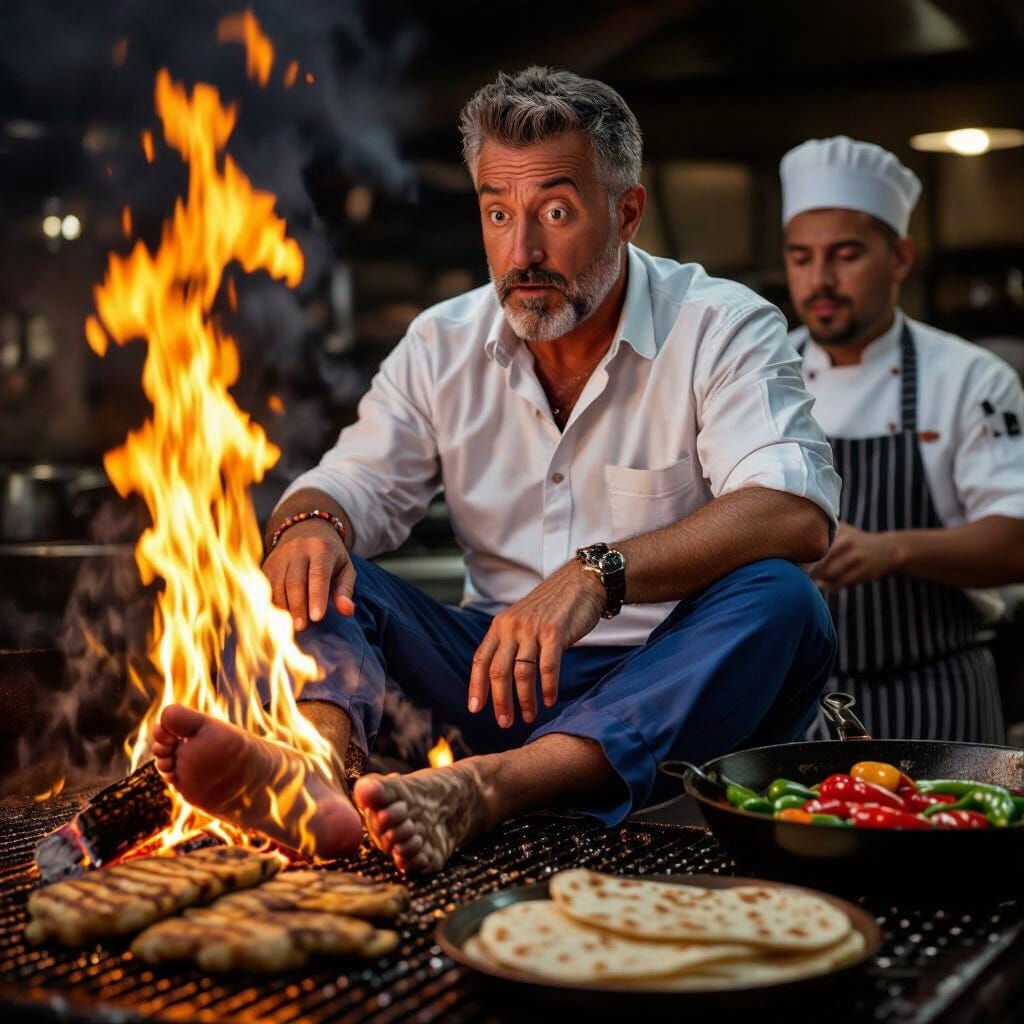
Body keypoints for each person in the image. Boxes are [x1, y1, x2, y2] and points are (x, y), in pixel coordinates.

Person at [151, 67, 839, 874]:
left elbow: (794, 511)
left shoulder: (721, 326)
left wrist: (597, 574)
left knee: (785, 601)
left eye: (555, 211)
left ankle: (486, 789)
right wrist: (308, 525)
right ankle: (316, 776)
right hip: (491, 682)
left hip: (672, 686)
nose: (524, 251)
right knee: (327, 571)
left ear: (627, 213)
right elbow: (347, 486)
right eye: (498, 213)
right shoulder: (441, 343)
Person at [781, 136, 1024, 742]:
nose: (821, 279)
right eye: (802, 257)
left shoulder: (969, 377)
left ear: (901, 258)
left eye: (846, 255)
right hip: (794, 700)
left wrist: (893, 550)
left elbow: (1017, 539)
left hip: (938, 695)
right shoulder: (763, 371)